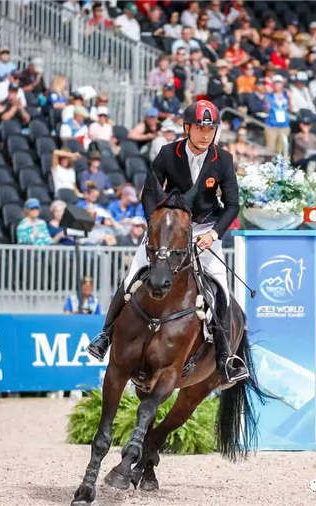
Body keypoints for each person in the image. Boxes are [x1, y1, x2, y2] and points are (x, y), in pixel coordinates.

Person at [88, 99, 249, 385]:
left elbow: (233, 204)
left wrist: (214, 234)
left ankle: (226, 357)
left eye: (210, 129)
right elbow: (150, 191)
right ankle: (105, 335)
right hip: (169, 230)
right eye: (200, 128)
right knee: (132, 278)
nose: (206, 134)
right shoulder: (167, 153)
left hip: (204, 230)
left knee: (221, 289)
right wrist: (156, 224)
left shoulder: (222, 159)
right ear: (187, 128)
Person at [264, 74, 291, 156]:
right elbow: (266, 109)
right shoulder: (268, 96)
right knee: (270, 150)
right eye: (275, 83)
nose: (277, 85)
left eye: (279, 82)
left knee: (281, 150)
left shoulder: (286, 95)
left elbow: (291, 109)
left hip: (284, 125)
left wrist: (290, 98)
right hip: (271, 125)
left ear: (282, 84)